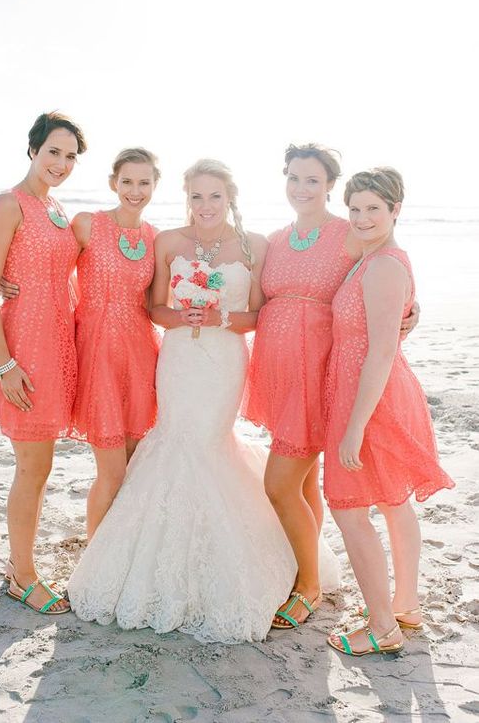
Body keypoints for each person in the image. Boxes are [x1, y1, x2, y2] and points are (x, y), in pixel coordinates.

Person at [67, 159, 340, 643]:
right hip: (178, 360)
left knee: (210, 445)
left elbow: (258, 312)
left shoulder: (256, 245)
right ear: (186, 197)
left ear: (230, 198)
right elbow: (153, 307)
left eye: (215, 196)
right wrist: (179, 314)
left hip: (222, 361)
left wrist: (220, 317)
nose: (205, 205)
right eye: (197, 196)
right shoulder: (167, 241)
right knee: (174, 441)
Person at [242, 144, 418, 630]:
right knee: (300, 482)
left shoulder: (350, 234)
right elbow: (257, 306)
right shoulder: (275, 239)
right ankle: (310, 572)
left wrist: (411, 313)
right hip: (278, 376)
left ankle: (310, 587)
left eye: (313, 181)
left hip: (321, 377)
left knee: (279, 483)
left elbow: (391, 273)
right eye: (294, 178)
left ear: (329, 187)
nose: (302, 189)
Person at [324, 167, 454, 656]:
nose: (360, 218)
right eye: (354, 208)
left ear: (395, 210)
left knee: (348, 506)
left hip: (369, 394)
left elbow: (379, 350)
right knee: (392, 500)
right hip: (371, 388)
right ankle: (404, 605)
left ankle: (382, 626)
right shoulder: (373, 257)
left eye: (372, 209)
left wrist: (355, 425)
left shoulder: (383, 265)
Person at [0, 110, 86, 614]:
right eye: (53, 152)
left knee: (41, 467)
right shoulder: (9, 204)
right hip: (22, 347)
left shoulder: (57, 209)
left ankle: (21, 566)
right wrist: (4, 364)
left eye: (69, 156)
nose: (60, 163)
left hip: (58, 344)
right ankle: (22, 576)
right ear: (33, 150)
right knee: (32, 466)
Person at [70, 148, 161, 540]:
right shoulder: (87, 224)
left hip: (140, 352)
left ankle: (119, 550)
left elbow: (157, 305)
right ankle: (95, 555)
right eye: (127, 181)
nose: (135, 190)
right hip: (98, 351)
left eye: (144, 182)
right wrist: (9, 282)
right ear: (114, 183)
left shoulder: (155, 237)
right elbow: (52, 271)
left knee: (133, 461)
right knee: (111, 470)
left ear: (155, 185)